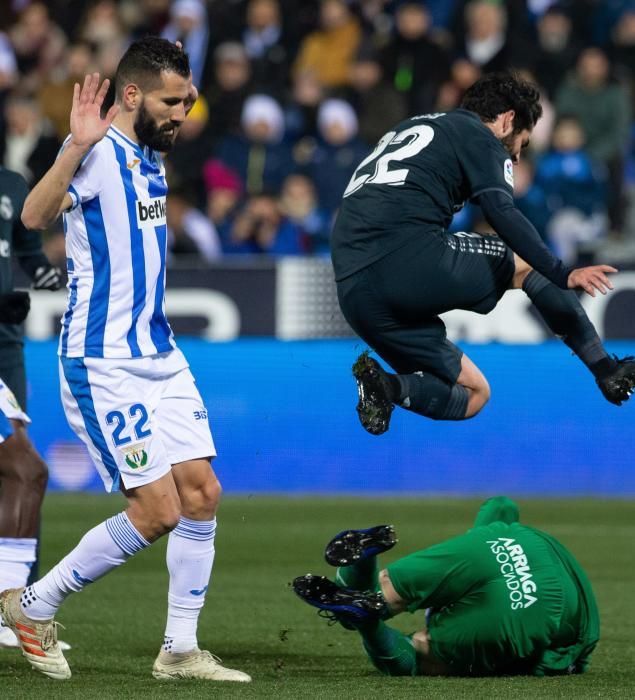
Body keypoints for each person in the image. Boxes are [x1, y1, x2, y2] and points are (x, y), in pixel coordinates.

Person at [0, 38, 251, 683]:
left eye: (188, 101)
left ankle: (179, 650)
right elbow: (32, 215)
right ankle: (34, 605)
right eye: (172, 101)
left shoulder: (151, 157)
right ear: (132, 95)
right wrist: (76, 145)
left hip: (160, 354)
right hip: (102, 361)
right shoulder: (98, 150)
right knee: (157, 510)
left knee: (201, 494)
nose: (183, 113)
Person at [330, 72, 635, 436]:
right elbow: (501, 211)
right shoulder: (479, 134)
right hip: (402, 254)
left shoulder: (414, 126)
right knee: (524, 264)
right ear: (507, 120)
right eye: (522, 142)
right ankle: (607, 370)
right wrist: (560, 271)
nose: (519, 157)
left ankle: (385, 386)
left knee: (474, 394)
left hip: (352, 288)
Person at [294, 496, 600, 677]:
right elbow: (561, 657)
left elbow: (501, 503)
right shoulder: (584, 635)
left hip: (504, 542)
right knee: (418, 653)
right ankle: (366, 620)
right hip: (537, 603)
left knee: (384, 588)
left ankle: (362, 564)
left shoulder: (493, 526)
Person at [0, 164, 63, 649]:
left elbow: (23, 249)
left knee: (21, 471)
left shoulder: (13, 184)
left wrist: (43, 274)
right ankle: (17, 608)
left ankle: (18, 604)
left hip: (6, 344)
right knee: (24, 470)